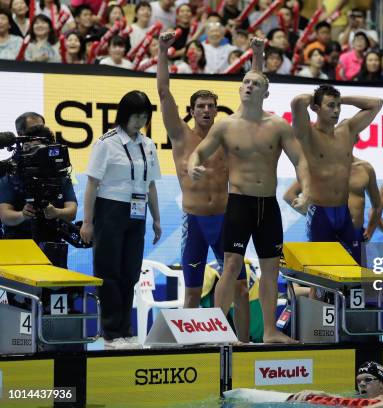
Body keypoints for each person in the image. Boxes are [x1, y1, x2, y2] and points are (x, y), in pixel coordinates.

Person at [188, 38, 309, 344]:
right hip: (239, 204)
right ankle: (216, 330)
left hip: (268, 206)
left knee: (271, 270)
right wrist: (193, 165)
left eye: (255, 83)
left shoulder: (279, 125)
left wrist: (305, 190)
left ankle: (269, 331)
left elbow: (300, 161)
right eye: (244, 82)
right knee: (230, 266)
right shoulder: (226, 126)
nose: (248, 86)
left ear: (265, 92)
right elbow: (198, 153)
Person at [157, 30, 250, 341]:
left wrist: (257, 58)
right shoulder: (181, 136)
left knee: (239, 286)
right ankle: (192, 345)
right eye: (201, 106)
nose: (207, 110)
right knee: (193, 292)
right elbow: (163, 92)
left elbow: (252, 99)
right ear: (192, 110)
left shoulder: (226, 136)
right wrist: (162, 50)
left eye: (211, 105)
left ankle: (245, 343)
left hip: (226, 219)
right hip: (195, 221)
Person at [80, 90, 162, 350]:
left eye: (145, 116)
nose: (140, 121)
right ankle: (112, 333)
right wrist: (87, 222)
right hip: (109, 210)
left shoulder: (148, 145)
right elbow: (92, 184)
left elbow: (151, 186)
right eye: (136, 116)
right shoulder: (107, 142)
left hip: (138, 213)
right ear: (124, 115)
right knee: (109, 272)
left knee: (130, 273)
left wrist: (157, 220)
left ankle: (126, 330)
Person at [289, 85, 382, 263]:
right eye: (331, 106)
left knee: (355, 269)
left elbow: (376, 104)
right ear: (315, 108)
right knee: (323, 272)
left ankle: (350, 292)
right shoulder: (307, 134)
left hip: (343, 213)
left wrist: (341, 99)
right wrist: (316, 98)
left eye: (338, 106)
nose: (337, 110)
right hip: (320, 214)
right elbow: (298, 101)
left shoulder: (347, 129)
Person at [284, 157, 382, 265]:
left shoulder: (365, 169)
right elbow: (289, 195)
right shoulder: (317, 168)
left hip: (354, 235)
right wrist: (316, 217)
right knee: (323, 277)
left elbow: (377, 205)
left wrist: (370, 230)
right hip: (323, 234)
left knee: (356, 278)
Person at [288, 361, 383, 407]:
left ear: (382, 384)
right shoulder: (357, 399)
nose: (361, 384)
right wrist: (323, 395)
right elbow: (345, 400)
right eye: (359, 381)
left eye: (368, 380)